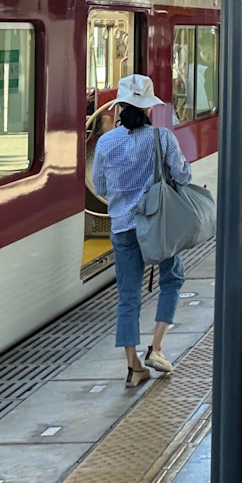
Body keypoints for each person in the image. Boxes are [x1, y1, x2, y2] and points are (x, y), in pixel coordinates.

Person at [91, 74, 187, 387]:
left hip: (121, 228)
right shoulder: (162, 137)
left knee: (128, 297)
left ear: (118, 106)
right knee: (172, 278)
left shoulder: (105, 143)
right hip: (156, 225)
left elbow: (101, 186)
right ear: (149, 108)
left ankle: (133, 368)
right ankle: (156, 348)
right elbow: (183, 176)